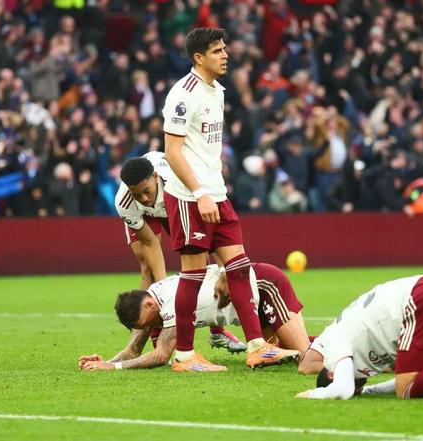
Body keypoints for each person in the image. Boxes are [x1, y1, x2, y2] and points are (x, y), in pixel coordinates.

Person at [161, 27, 299, 371]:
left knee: (238, 268)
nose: (225, 55)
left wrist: (213, 191)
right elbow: (172, 152)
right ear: (198, 58)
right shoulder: (183, 95)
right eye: (217, 51)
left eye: (224, 49)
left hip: (216, 194)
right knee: (193, 274)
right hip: (189, 197)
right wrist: (199, 194)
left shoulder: (217, 91)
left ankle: (256, 346)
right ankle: (184, 356)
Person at [116, 152, 245, 352]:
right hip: (145, 217)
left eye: (147, 191)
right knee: (147, 268)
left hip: (176, 199)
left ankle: (217, 331)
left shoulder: (177, 180)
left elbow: (213, 235)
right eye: (137, 195)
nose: (144, 198)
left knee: (200, 257)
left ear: (155, 178)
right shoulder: (125, 203)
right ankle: (155, 340)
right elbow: (150, 243)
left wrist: (223, 271)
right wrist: (163, 294)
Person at [78, 263, 310, 371]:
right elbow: (133, 350)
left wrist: (113, 369)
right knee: (289, 352)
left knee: (305, 357)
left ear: (149, 304)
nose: (153, 327)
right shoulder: (152, 301)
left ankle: (330, 347)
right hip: (252, 309)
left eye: (150, 323)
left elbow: (161, 356)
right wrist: (105, 362)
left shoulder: (169, 301)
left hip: (263, 284)